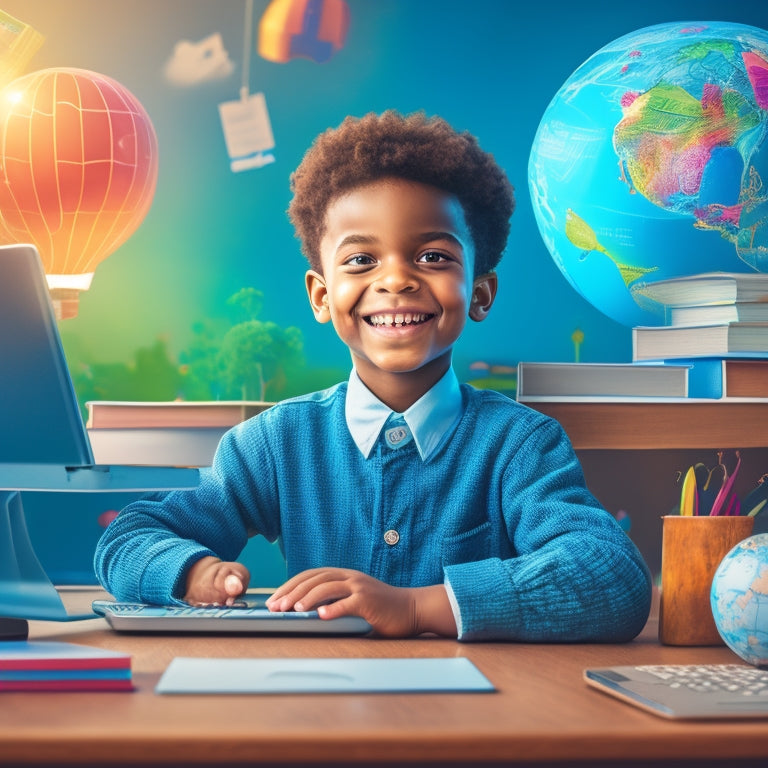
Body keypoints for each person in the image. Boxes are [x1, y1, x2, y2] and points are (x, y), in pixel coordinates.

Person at [94, 110, 652, 641]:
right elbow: (128, 539)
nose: (397, 281)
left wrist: (415, 606)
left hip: (479, 716)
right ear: (320, 295)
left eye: (433, 257)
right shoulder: (274, 444)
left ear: (479, 292)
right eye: (361, 260)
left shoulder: (520, 446)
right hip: (322, 715)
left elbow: (611, 575)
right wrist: (191, 572)